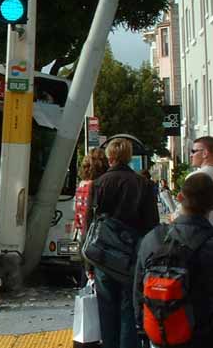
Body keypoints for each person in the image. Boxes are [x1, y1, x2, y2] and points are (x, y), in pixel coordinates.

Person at [85, 138, 159, 348]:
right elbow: (151, 224)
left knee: (107, 311)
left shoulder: (99, 184)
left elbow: (90, 225)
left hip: (104, 256)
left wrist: (88, 263)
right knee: (130, 310)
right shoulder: (143, 184)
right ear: (129, 157)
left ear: (109, 157)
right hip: (132, 256)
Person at [134, 173, 213, 348]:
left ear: (179, 197)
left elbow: (138, 290)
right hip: (201, 335)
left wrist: (145, 328)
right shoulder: (209, 242)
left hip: (159, 331)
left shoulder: (153, 238)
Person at [74, 148, 108, 242]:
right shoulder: (95, 185)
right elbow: (90, 212)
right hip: (92, 236)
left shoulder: (81, 184)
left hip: (80, 234)